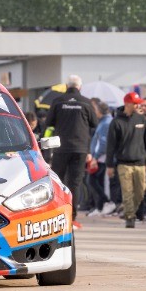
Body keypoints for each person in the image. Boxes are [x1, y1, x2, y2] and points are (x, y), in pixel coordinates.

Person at [106, 93, 146, 229]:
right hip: (124, 163)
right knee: (127, 191)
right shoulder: (116, 122)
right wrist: (109, 165)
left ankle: (129, 210)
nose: (137, 105)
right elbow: (110, 146)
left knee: (141, 191)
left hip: (141, 162)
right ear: (127, 103)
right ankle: (130, 217)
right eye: (135, 103)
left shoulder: (142, 119)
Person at [47, 77, 96, 215]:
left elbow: (49, 122)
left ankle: (58, 213)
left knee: (58, 181)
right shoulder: (86, 102)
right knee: (75, 182)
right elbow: (95, 124)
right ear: (80, 87)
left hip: (60, 148)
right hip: (80, 149)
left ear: (66, 86)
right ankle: (72, 215)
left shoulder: (57, 101)